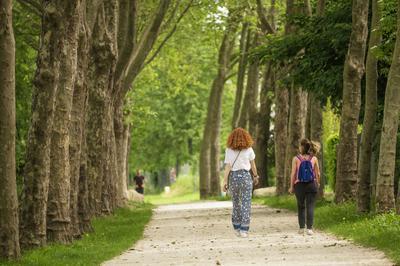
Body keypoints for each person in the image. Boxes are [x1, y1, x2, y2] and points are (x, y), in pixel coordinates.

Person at [222, 128, 259, 238]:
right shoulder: (249, 149)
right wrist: (256, 176)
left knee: (236, 203)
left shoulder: (229, 150)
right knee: (246, 203)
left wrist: (224, 181)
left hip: (233, 178)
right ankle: (244, 229)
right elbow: (253, 165)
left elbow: (228, 167)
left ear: (231, 138)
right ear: (246, 137)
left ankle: (237, 227)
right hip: (246, 177)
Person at [289, 139, 321, 235]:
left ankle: (302, 228)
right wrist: (318, 183)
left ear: (302, 147)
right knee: (310, 206)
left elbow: (293, 174)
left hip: (299, 185)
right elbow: (318, 173)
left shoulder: (296, 159)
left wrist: (291, 186)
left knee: (301, 206)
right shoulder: (314, 159)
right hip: (311, 184)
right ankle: (309, 229)